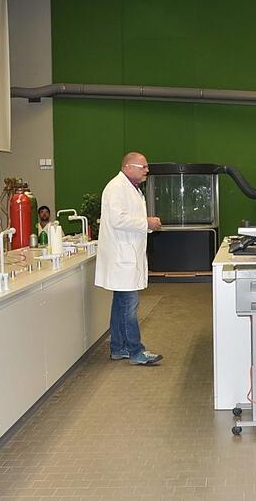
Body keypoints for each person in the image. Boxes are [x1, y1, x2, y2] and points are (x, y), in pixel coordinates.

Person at [96, 152, 163, 365]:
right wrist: (147, 223)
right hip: (121, 257)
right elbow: (117, 219)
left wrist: (147, 225)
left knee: (121, 305)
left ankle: (118, 347)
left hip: (126, 256)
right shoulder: (116, 188)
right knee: (129, 305)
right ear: (128, 166)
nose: (147, 170)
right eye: (143, 166)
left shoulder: (130, 188)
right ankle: (136, 351)